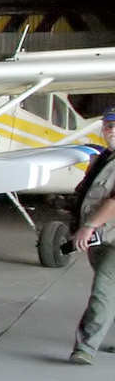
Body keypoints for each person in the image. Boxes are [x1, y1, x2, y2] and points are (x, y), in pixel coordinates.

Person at [69, 111, 115, 363]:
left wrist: (88, 225)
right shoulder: (103, 159)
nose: (112, 131)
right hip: (102, 237)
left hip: (109, 238)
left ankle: (86, 348)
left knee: (103, 290)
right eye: (108, 126)